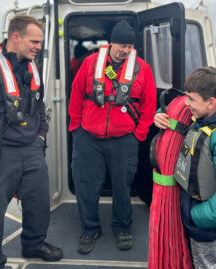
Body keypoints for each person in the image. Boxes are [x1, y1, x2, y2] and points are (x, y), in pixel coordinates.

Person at [0, 15, 63, 268]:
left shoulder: (32, 66)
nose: (39, 46)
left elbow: (38, 106)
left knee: (39, 204)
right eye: (34, 41)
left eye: (40, 42)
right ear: (16, 37)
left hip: (31, 149)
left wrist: (41, 135)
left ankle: (33, 244)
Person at [69, 20, 156, 254]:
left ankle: (122, 228)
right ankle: (89, 229)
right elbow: (77, 94)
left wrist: (139, 134)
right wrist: (76, 127)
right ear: (111, 43)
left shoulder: (143, 69)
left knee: (122, 186)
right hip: (88, 138)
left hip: (124, 139)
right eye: (122, 46)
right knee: (86, 186)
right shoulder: (89, 63)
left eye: (129, 46)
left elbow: (149, 105)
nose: (125, 51)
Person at [154, 66, 216, 269]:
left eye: (191, 99)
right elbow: (177, 120)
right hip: (193, 213)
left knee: (205, 265)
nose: (186, 103)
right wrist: (159, 116)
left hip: (205, 224)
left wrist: (198, 216)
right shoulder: (202, 119)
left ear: (211, 102)